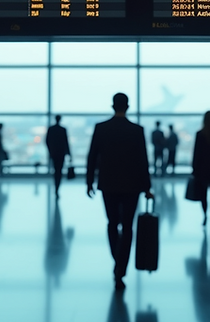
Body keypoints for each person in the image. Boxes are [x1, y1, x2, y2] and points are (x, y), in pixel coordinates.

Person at [86, 92, 153, 291]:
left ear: (112, 105)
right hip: (132, 186)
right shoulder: (136, 130)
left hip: (108, 184)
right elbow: (143, 160)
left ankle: (117, 259)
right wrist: (147, 187)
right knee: (128, 227)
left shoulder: (101, 129)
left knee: (112, 223)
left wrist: (89, 182)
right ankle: (120, 267)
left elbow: (92, 157)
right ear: (128, 106)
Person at [46, 115, 72, 197]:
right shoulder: (63, 129)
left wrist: (50, 150)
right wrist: (69, 154)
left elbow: (47, 141)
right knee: (59, 171)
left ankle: (56, 187)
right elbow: (66, 142)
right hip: (61, 153)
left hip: (54, 153)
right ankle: (57, 188)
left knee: (56, 170)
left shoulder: (51, 129)